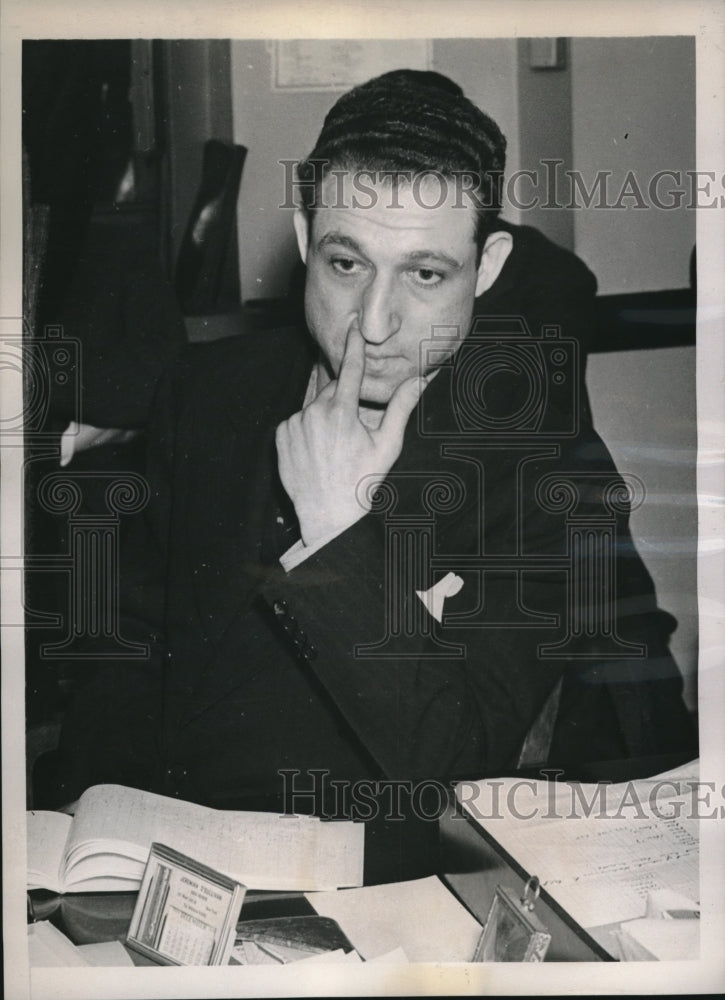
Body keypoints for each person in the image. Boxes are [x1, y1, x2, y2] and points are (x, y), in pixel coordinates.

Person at [52, 71, 696, 881]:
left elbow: (457, 763)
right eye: (346, 264)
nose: (376, 322)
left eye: (425, 274)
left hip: (377, 882)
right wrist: (93, 815)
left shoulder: (540, 459)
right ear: (302, 236)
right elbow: (135, 643)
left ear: (486, 265)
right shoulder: (207, 391)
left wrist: (341, 535)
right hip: (162, 855)